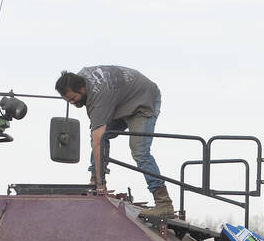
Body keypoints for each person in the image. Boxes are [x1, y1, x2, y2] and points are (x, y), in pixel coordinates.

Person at [55, 66, 175, 217]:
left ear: (82, 88)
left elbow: (98, 141)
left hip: (143, 99)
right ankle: (96, 179)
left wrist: (99, 184)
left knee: (139, 151)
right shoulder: (78, 80)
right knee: (99, 134)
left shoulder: (99, 97)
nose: (72, 102)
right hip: (120, 101)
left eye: (73, 98)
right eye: (68, 100)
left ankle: (164, 203)